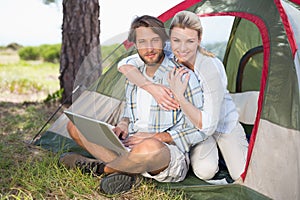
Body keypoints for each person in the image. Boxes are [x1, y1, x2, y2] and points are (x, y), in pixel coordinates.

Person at [59, 15, 205, 195]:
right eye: (142, 42)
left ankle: (101, 169)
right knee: (74, 126)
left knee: (149, 147)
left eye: (154, 40)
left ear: (164, 41)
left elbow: (200, 127)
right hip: (130, 144)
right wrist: (123, 124)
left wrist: (158, 137)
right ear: (135, 45)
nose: (149, 48)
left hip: (164, 154)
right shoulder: (134, 75)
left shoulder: (183, 76)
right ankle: (126, 170)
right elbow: (130, 110)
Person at [118, 11, 249, 182]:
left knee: (241, 175)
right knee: (206, 170)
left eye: (190, 41)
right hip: (192, 125)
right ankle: (210, 152)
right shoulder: (168, 52)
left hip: (218, 124)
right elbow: (124, 64)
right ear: (169, 40)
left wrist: (179, 96)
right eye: (176, 40)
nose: (182, 48)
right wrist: (151, 88)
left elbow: (208, 126)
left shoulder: (210, 68)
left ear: (199, 40)